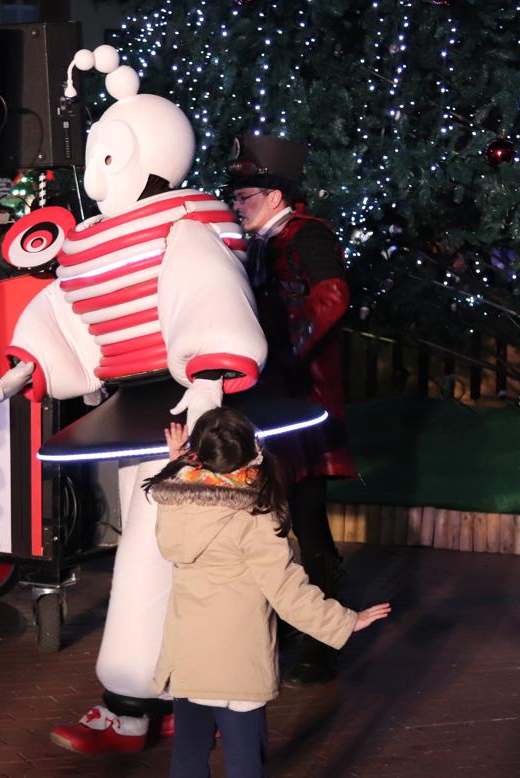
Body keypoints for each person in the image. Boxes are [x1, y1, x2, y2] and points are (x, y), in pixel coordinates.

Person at [0, 45, 270, 754]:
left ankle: (131, 703)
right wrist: (32, 361)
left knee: (152, 553)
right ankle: (172, 697)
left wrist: (211, 373)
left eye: (107, 156)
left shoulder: (183, 231)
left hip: (185, 410)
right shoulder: (109, 244)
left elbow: (210, 296)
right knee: (175, 554)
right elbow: (76, 308)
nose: (93, 172)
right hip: (149, 413)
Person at [146, 408, 390, 778]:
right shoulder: (255, 512)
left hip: (187, 650)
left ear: (198, 453)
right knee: (243, 762)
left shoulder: (174, 499)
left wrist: (175, 461)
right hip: (237, 656)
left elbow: (181, 497)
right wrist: (344, 621)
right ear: (250, 454)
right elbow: (287, 590)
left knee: (191, 748)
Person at [227, 133, 358, 685]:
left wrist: (287, 349)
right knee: (271, 518)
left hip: (301, 404)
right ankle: (285, 627)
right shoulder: (257, 242)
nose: (237, 203)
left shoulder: (307, 236)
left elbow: (333, 294)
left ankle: (322, 643)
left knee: (305, 519)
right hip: (270, 400)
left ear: (277, 195)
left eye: (248, 194)